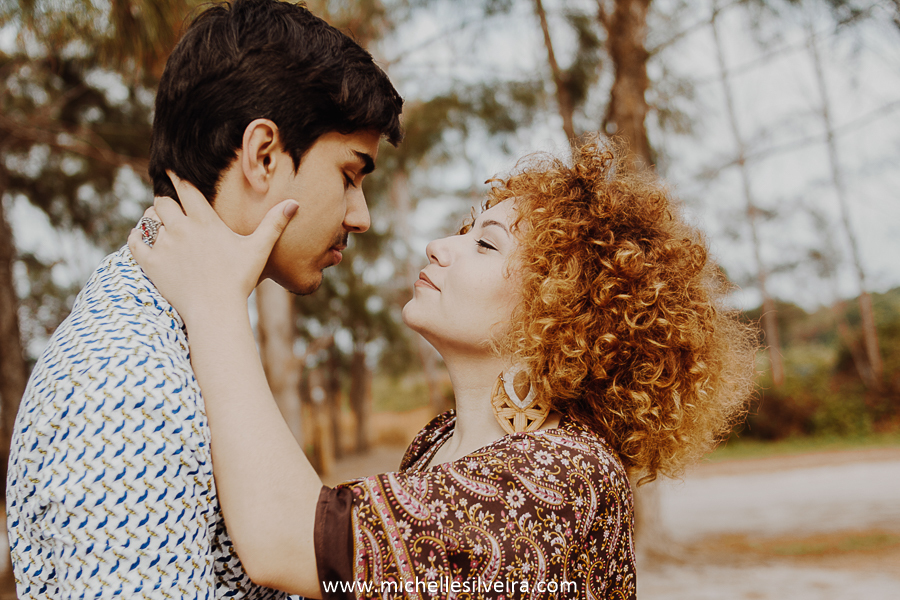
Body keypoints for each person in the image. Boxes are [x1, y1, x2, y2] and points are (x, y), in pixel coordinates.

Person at [129, 139, 756, 599]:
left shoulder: (566, 475)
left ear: (560, 303)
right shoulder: (439, 442)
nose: (439, 246)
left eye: (485, 243)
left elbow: (284, 540)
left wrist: (214, 301)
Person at [5, 0, 403, 598]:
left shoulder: (188, 336)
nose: (360, 215)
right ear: (262, 155)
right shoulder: (126, 383)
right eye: (350, 174)